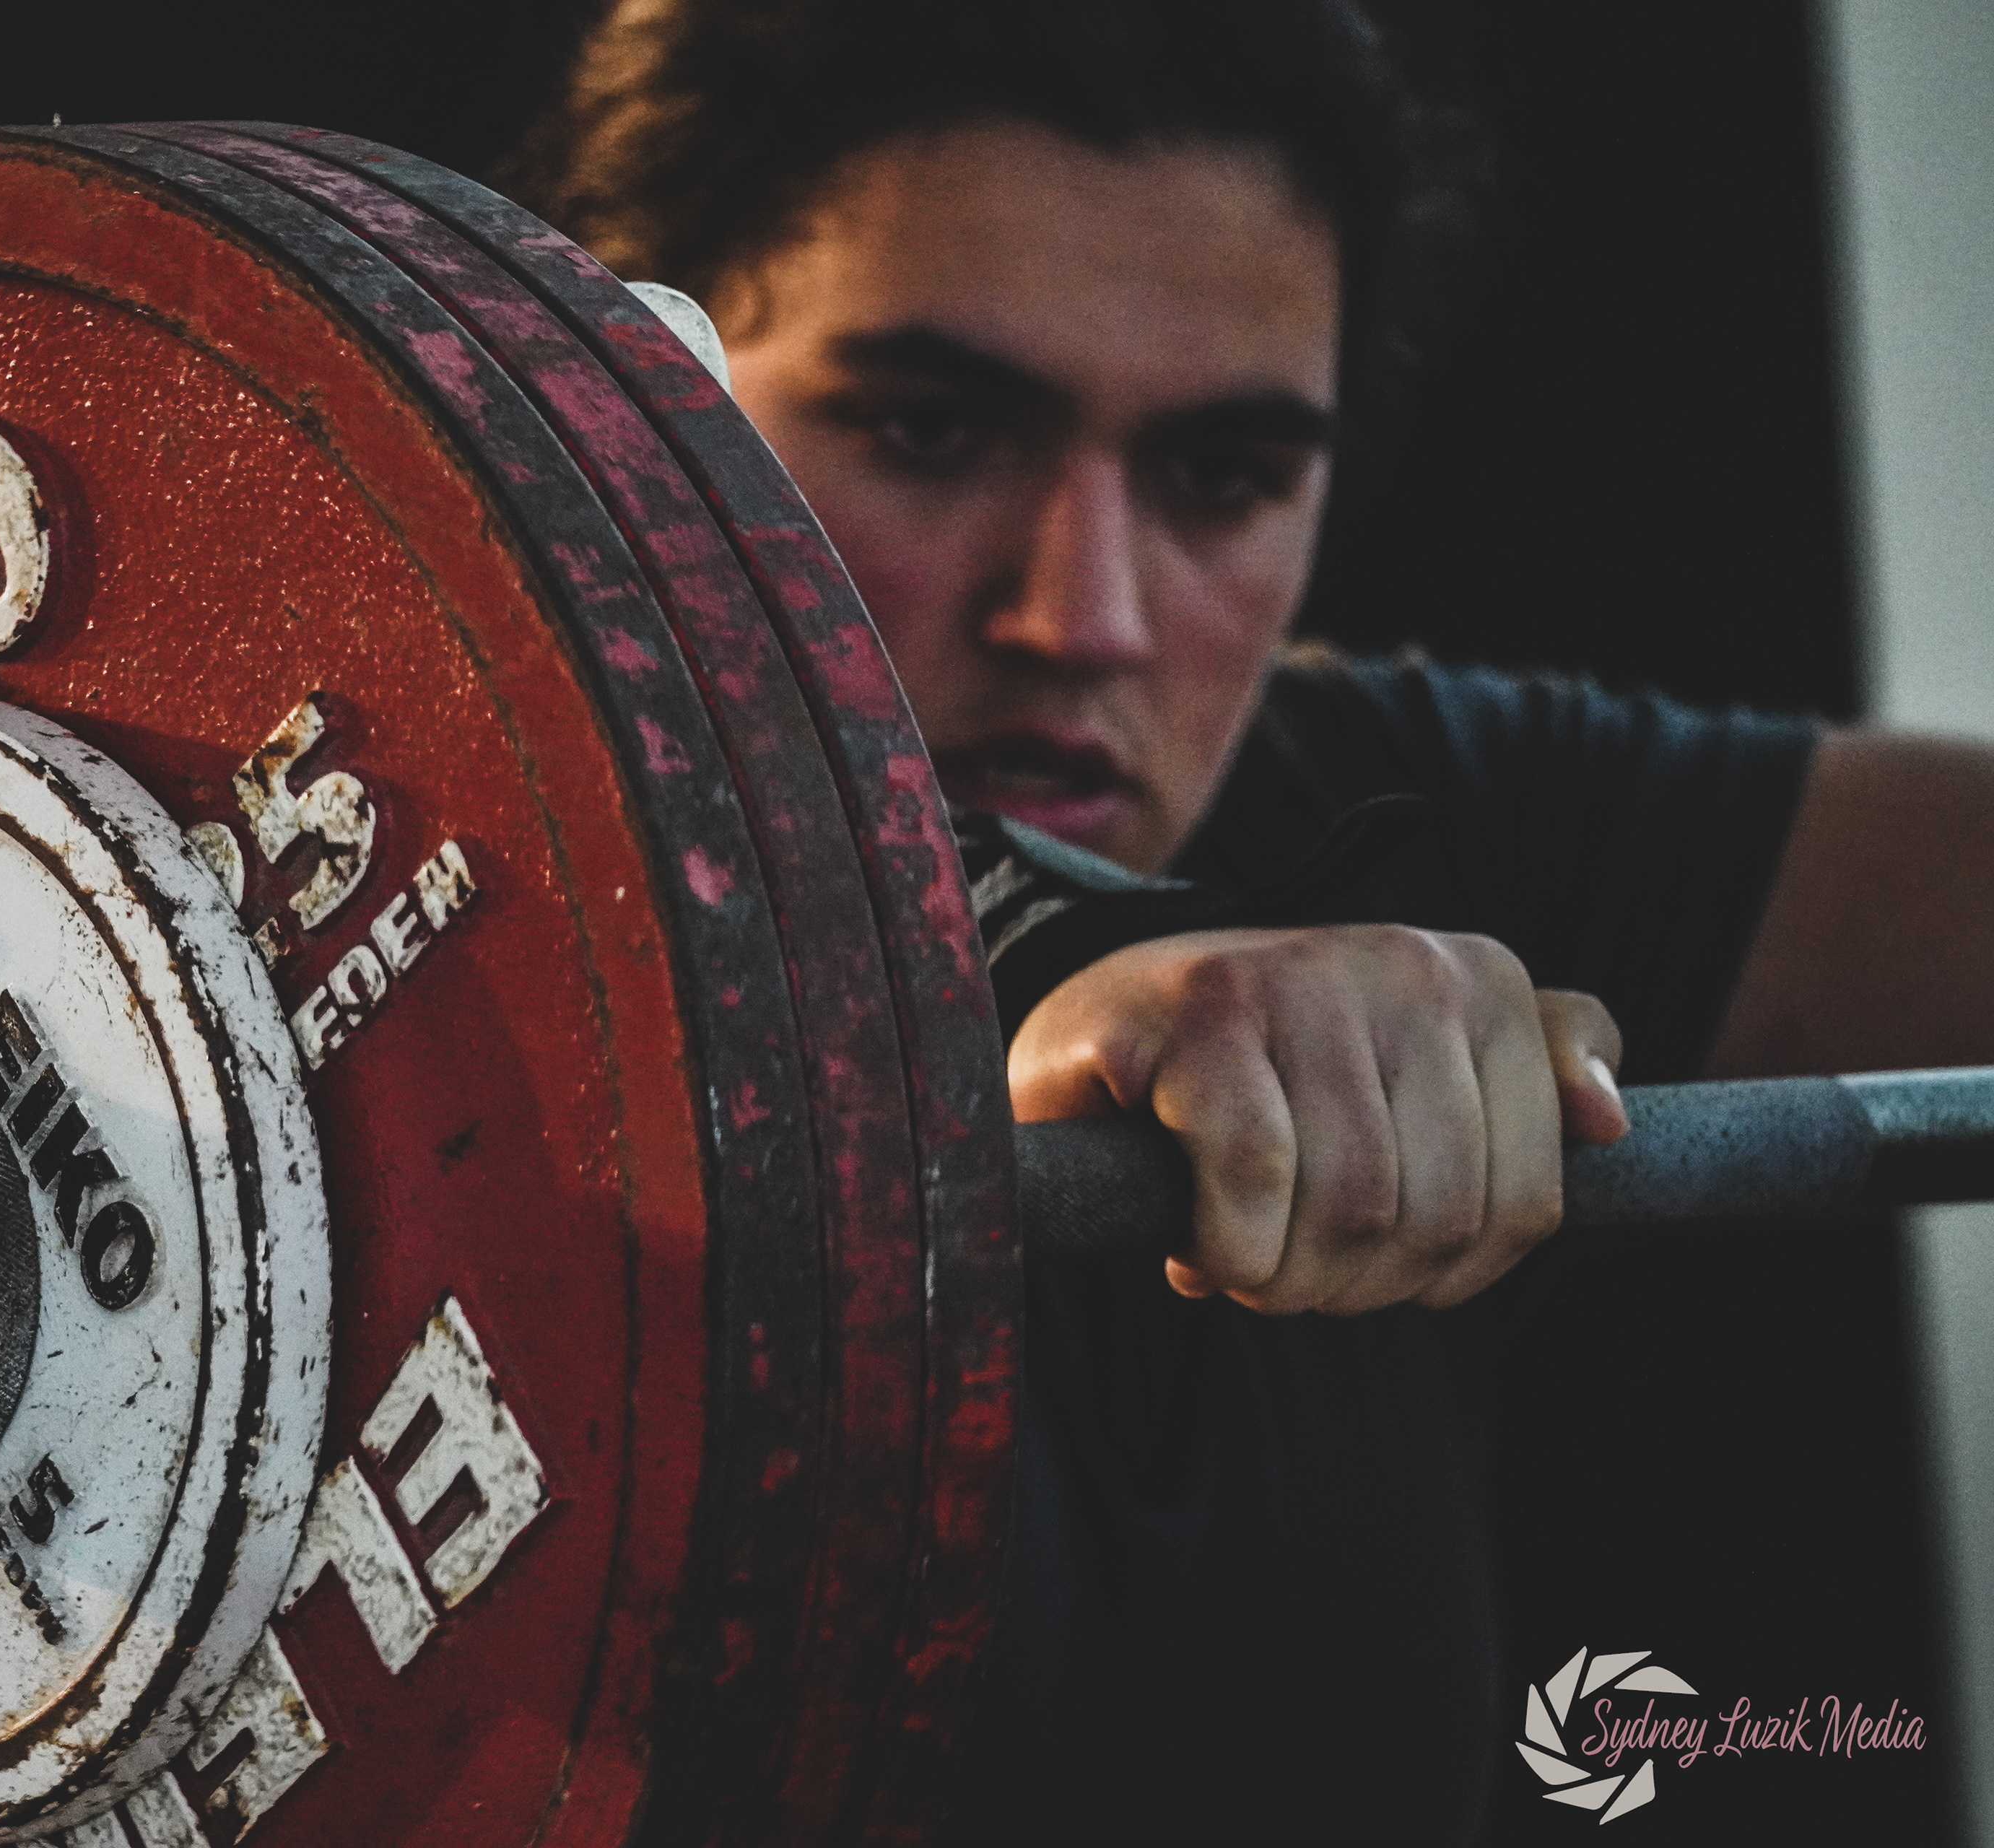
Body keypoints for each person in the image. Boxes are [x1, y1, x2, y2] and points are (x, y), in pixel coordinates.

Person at [523, 1, 1994, 1839]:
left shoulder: (1380, 794)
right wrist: (1083, 1009)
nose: (1090, 614)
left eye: (1224, 477)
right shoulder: (338, 954)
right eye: (928, 428)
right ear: (622, 400)